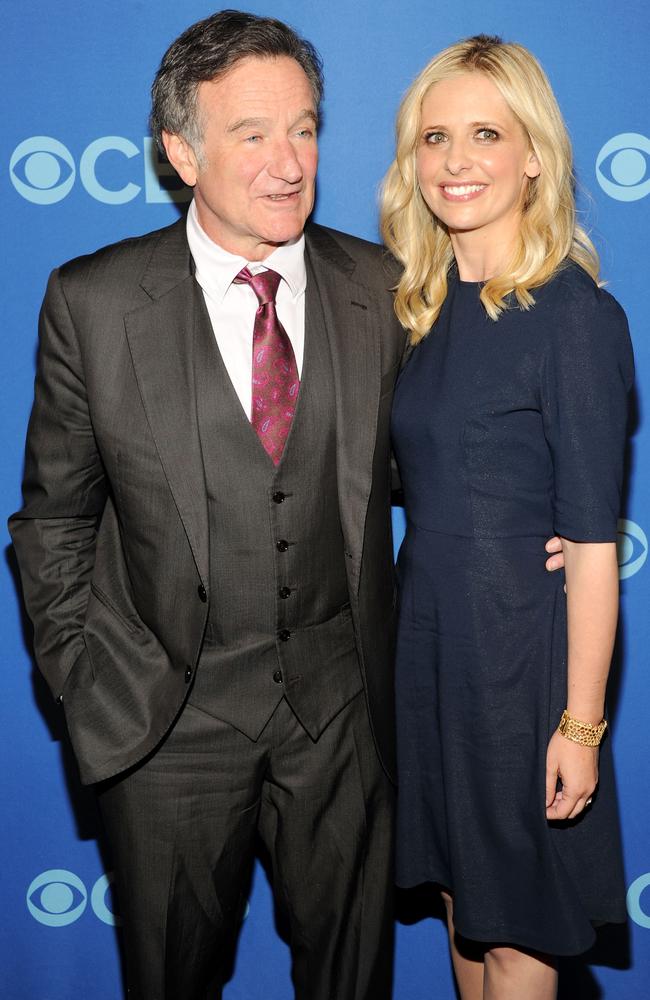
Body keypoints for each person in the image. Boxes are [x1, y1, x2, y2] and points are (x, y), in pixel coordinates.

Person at [9, 11, 405, 999]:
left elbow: (441, 469)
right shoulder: (94, 302)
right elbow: (52, 518)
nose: (288, 162)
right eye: (251, 133)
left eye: (304, 129)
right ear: (182, 152)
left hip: (340, 717)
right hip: (163, 727)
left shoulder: (385, 290)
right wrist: (81, 679)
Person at [381, 34, 632, 1000]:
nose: (454, 160)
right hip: (432, 660)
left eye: (486, 132)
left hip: (522, 669)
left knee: (519, 923)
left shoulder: (573, 314)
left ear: (534, 153)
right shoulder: (422, 309)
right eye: (434, 136)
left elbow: (595, 546)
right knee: (465, 912)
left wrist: (581, 724)